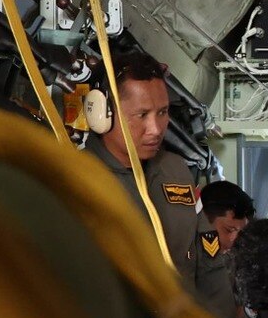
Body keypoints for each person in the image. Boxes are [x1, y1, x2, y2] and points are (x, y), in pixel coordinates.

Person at [90, 50, 211, 295]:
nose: (155, 129)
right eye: (141, 115)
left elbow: (211, 266)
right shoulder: (76, 177)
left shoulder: (176, 171)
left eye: (163, 113)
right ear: (102, 114)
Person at [192, 180, 253, 318]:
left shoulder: (236, 260)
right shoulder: (183, 253)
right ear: (204, 220)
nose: (234, 242)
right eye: (228, 230)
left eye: (240, 233)